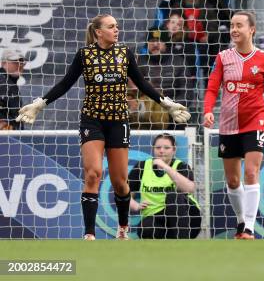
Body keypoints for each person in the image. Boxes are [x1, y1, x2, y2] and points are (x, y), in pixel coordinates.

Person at [16, 14, 191, 240]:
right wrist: (40, 104)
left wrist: (166, 103)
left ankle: (123, 228)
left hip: (119, 121)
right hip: (92, 120)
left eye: (117, 26)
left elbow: (142, 83)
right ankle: (89, 234)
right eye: (111, 26)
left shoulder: (124, 53)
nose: (116, 30)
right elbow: (65, 83)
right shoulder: (85, 55)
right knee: (93, 174)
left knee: (120, 182)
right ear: (98, 32)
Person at [204, 11, 264, 239]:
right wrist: (207, 110)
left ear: (251, 29)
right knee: (233, 180)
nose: (234, 29)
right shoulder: (223, 57)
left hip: (256, 121)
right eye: (232, 25)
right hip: (228, 123)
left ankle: (249, 227)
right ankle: (240, 221)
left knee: (251, 171)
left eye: (239, 25)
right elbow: (212, 87)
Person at [129, 133, 201, 239]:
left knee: (173, 196)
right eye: (158, 147)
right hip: (156, 217)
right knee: (146, 229)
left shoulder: (181, 166)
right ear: (153, 149)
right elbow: (124, 195)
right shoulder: (142, 167)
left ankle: (183, 244)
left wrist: (165, 167)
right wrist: (136, 205)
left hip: (186, 216)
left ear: (174, 150)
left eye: (166, 148)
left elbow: (189, 189)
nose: (161, 151)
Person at [0, 49, 25, 130]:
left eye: (22, 61)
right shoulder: (2, 80)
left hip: (12, 137)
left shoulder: (9, 82)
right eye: (15, 61)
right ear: (3, 63)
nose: (20, 64)